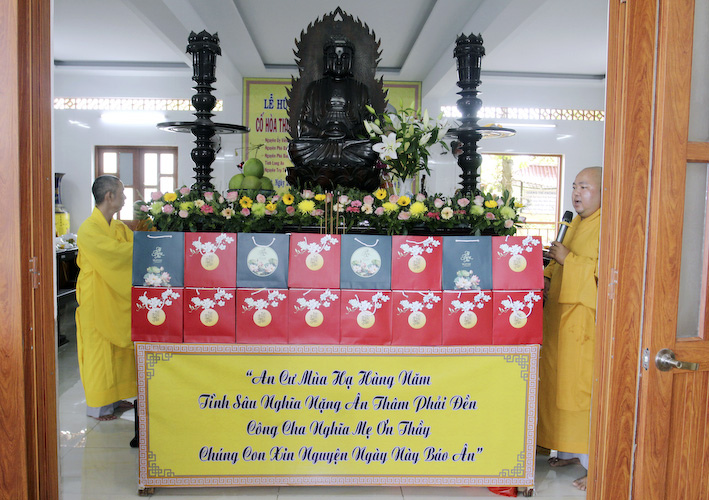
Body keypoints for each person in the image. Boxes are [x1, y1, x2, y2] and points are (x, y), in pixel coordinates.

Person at [537, 166, 602, 492]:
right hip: (559, 321)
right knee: (556, 385)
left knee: (581, 390)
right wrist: (548, 275)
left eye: (585, 187)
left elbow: (605, 273)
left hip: (583, 326)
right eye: (575, 186)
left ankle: (597, 466)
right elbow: (557, 259)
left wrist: (568, 261)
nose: (577, 193)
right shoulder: (574, 222)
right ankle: (569, 451)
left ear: (604, 192)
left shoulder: (608, 224)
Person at [75, 175, 135, 422]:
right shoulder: (88, 229)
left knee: (118, 352)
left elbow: (129, 251)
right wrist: (146, 246)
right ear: (109, 196)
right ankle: (99, 406)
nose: (125, 197)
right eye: (122, 193)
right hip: (96, 298)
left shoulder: (118, 227)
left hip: (116, 295)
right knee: (99, 352)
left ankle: (115, 397)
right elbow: (115, 255)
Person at [288, 36, 378, 182]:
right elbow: (302, 124)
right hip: (321, 146)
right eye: (333, 57)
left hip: (349, 145)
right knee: (296, 147)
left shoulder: (361, 89)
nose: (339, 61)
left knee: (370, 148)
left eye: (344, 57)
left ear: (351, 62)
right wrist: (321, 133)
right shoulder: (314, 88)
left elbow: (370, 126)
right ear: (326, 61)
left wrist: (350, 133)